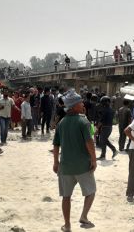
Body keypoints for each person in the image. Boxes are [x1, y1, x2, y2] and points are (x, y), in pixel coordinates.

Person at [53, 90, 97, 232]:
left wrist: (55, 162)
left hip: (65, 166)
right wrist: (94, 160)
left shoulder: (61, 123)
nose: (82, 104)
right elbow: (89, 143)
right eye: (80, 102)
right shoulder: (83, 121)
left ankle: (67, 225)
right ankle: (83, 216)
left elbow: (56, 144)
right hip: (83, 165)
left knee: (66, 197)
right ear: (74, 106)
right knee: (91, 191)